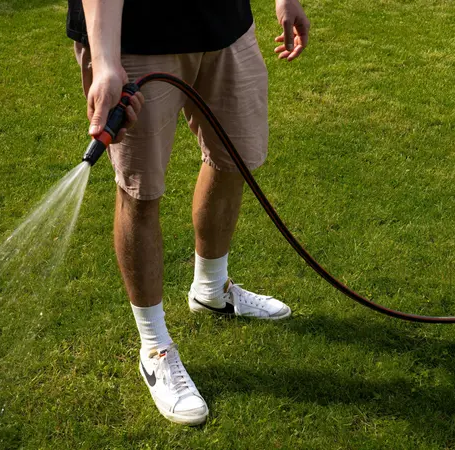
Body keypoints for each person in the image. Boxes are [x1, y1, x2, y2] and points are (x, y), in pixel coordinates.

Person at [66, 0, 310, 426]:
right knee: (140, 192)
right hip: (135, 39)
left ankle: (212, 291)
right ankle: (154, 346)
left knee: (237, 158)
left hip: (225, 23)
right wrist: (105, 60)